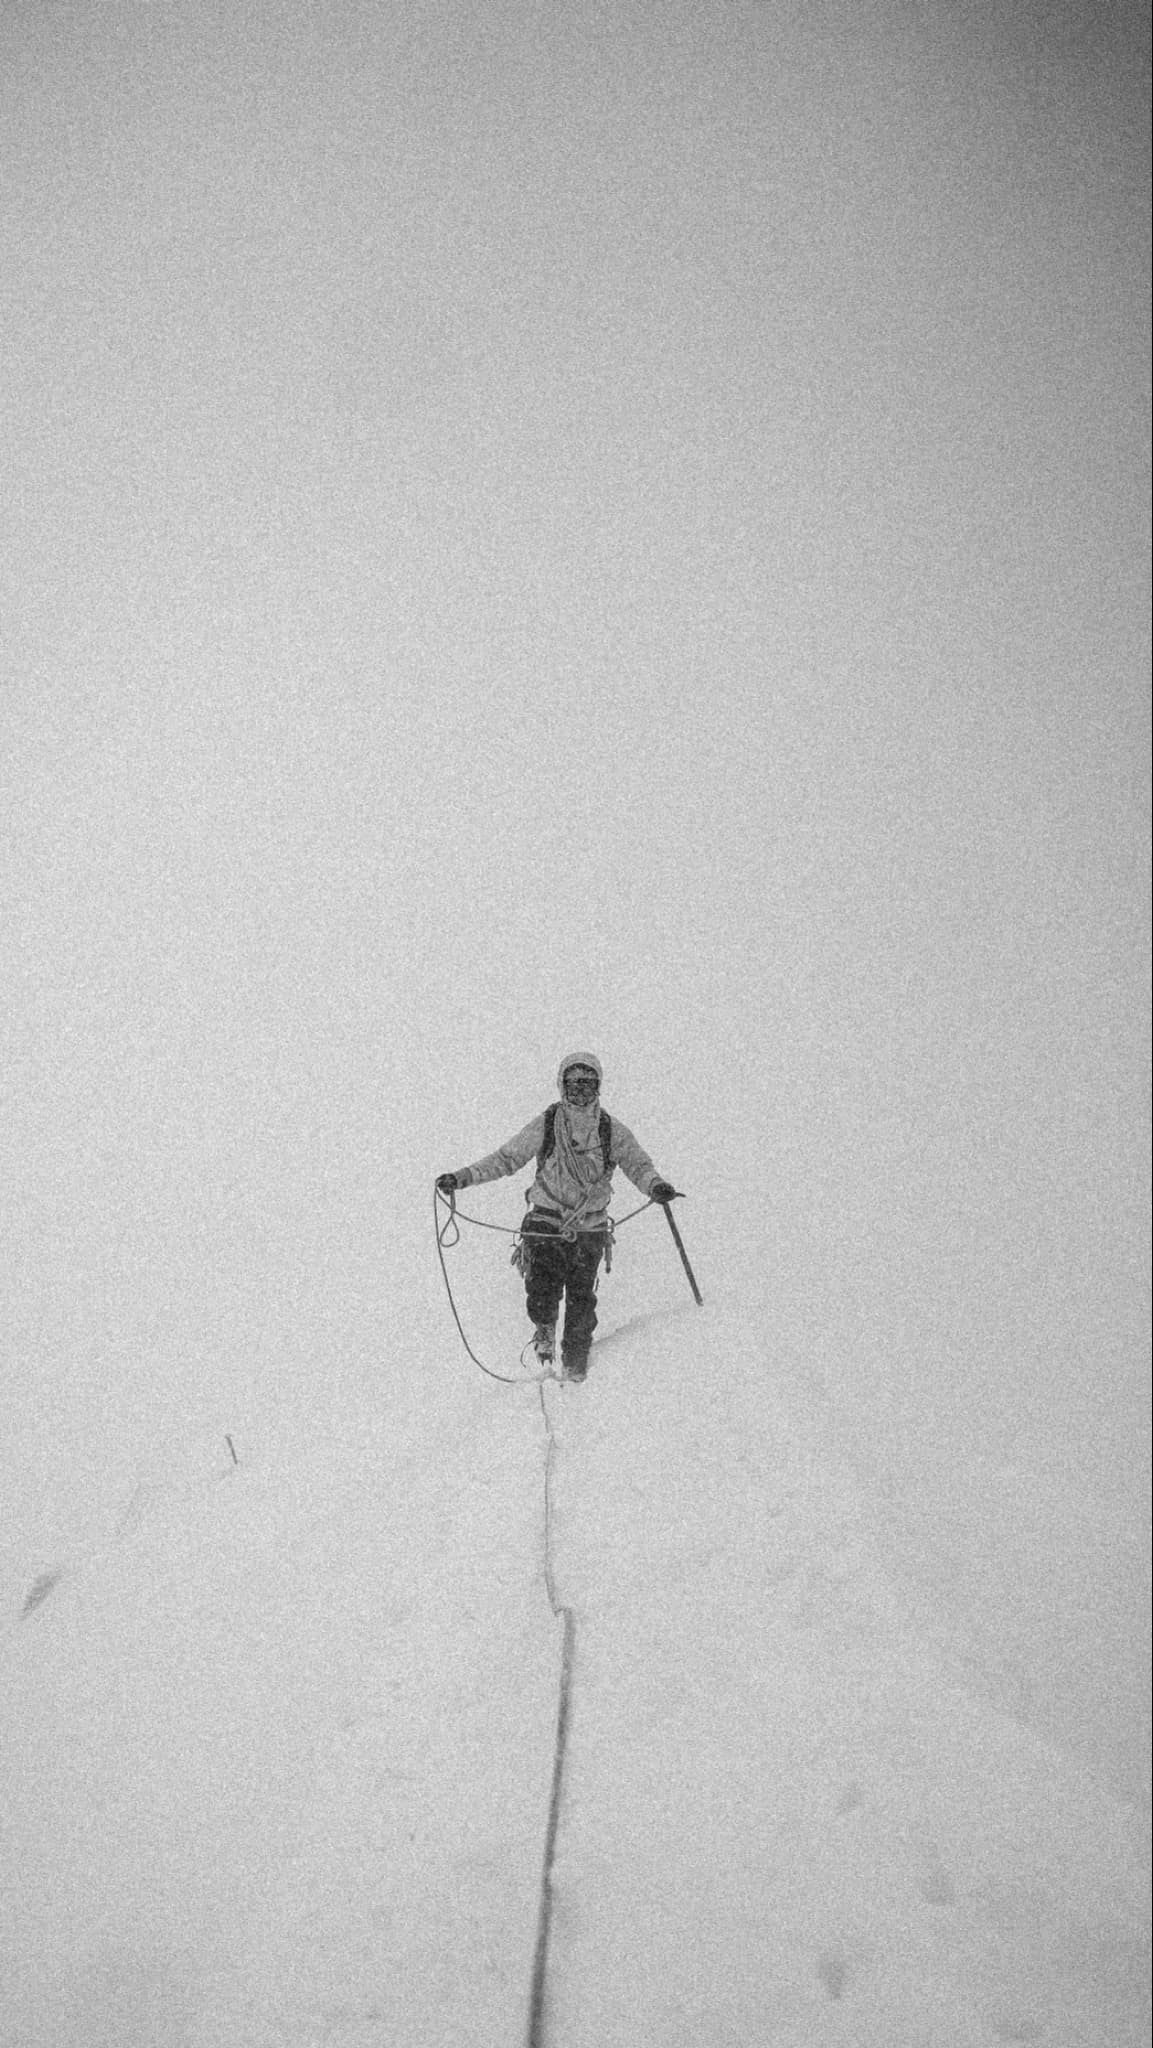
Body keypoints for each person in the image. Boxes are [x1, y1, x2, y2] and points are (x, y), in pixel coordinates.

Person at [437, 1052, 677, 1381]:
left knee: (582, 1300)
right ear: (562, 1086)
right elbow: (508, 1158)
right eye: (574, 1085)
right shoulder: (548, 1124)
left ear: (598, 1088)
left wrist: (656, 1186)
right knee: (542, 1288)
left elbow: (639, 1165)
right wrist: (462, 1177)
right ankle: (545, 1333)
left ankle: (577, 1366)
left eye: (587, 1085)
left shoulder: (611, 1130)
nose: (580, 1093)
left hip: (589, 1227)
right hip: (546, 1221)